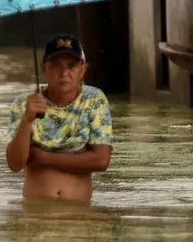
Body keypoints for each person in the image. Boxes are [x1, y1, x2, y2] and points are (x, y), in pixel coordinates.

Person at [6, 34, 113, 202]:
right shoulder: (24, 102)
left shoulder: (94, 99)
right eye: (55, 66)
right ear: (43, 68)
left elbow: (101, 160)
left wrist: (45, 158)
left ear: (83, 69)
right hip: (36, 211)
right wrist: (27, 119)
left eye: (72, 66)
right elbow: (14, 164)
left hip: (79, 214)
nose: (64, 73)